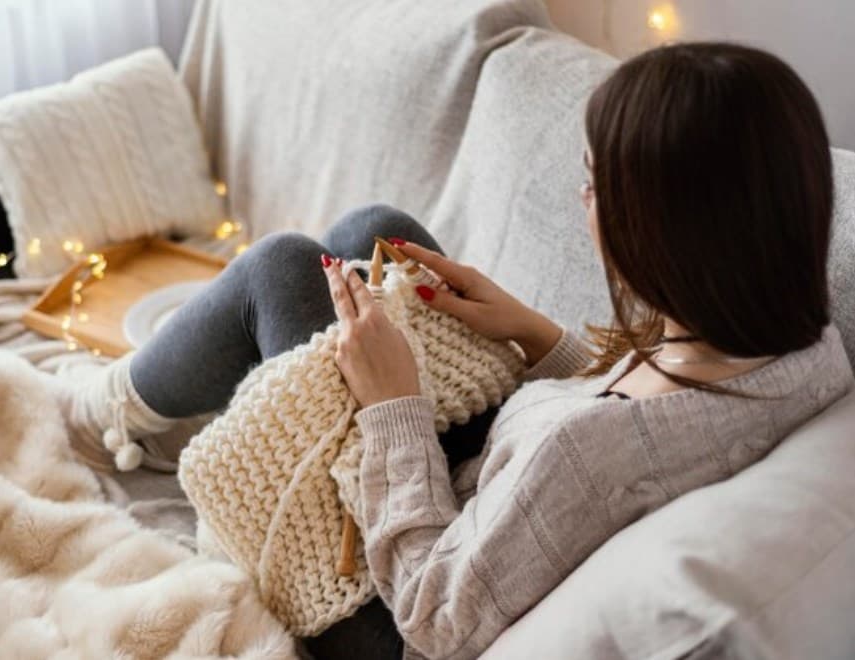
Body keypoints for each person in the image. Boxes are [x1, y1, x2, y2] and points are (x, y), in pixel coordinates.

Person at [63, 41, 854, 659]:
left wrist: (393, 407)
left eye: (592, 187)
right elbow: (644, 420)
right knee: (376, 237)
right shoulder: (796, 338)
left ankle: (106, 413)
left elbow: (433, 618)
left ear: (658, 232)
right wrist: (531, 334)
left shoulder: (585, 456)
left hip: (393, 607)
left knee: (278, 270)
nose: (583, 205)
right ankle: (160, 400)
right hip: (494, 492)